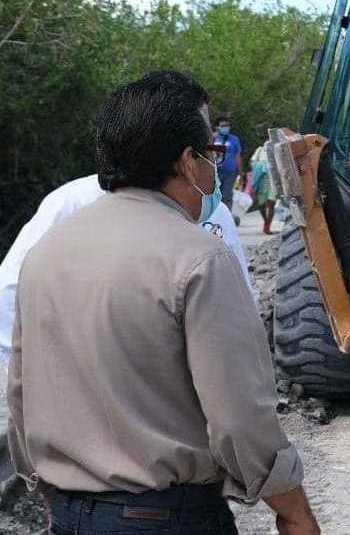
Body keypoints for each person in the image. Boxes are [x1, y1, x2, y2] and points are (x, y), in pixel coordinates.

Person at [7, 71, 319, 534]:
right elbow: (239, 419)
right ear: (187, 163)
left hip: (70, 515)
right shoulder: (198, 259)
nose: (215, 169)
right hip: (165, 517)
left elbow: (21, 391)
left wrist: (51, 492)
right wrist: (293, 510)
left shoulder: (46, 253)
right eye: (212, 154)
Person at [0, 168, 259, 364]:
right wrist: (24, 367)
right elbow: (11, 288)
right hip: (84, 374)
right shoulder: (73, 201)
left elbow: (241, 302)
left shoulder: (214, 212)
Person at [213, 115, 243, 208]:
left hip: (230, 172)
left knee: (227, 195)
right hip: (216, 172)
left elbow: (237, 155)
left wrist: (240, 172)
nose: (225, 128)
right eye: (222, 126)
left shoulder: (234, 139)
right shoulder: (212, 138)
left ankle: (227, 216)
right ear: (217, 127)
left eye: (227, 126)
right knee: (215, 195)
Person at [250, 141, 276, 235]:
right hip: (262, 180)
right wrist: (261, 166)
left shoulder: (276, 148)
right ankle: (266, 222)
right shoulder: (260, 150)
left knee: (271, 203)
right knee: (261, 204)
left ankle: (267, 226)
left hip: (273, 180)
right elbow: (253, 163)